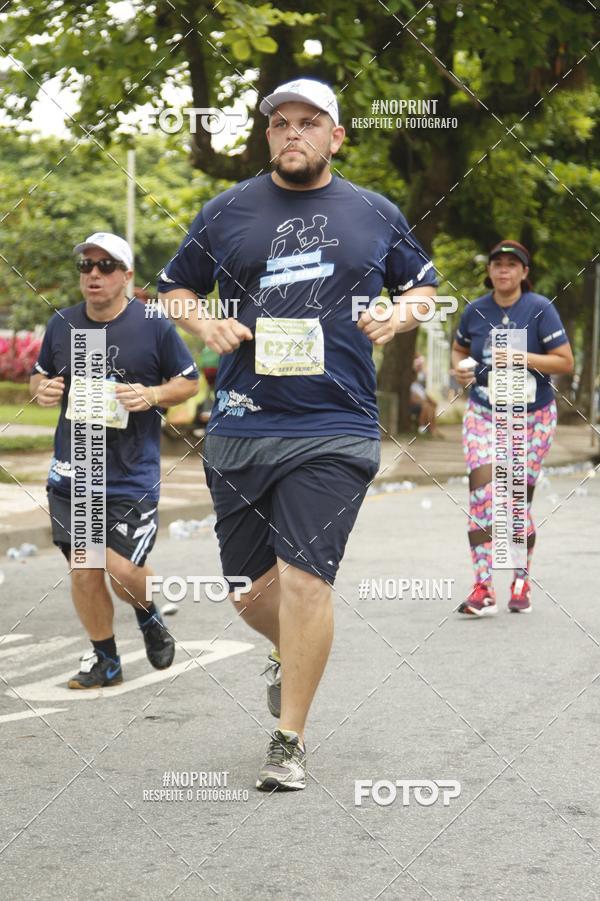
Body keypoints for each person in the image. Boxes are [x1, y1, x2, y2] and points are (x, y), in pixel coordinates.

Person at [158, 78, 437, 791]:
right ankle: (292, 651)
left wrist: (402, 317)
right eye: (280, 123)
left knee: (308, 578)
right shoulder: (226, 211)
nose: (292, 133)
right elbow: (174, 287)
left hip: (336, 424)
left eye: (309, 123)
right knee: (251, 595)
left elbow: (423, 287)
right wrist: (202, 321)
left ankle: (290, 738)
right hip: (243, 425)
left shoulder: (375, 212)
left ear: (336, 135)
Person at [30, 232, 199, 688]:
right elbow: (41, 375)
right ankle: (106, 659)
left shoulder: (153, 325)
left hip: (130, 473)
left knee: (123, 571)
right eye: (87, 266)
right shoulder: (62, 325)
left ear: (126, 275)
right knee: (85, 568)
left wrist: (153, 394)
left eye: (106, 266)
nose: (94, 275)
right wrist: (40, 390)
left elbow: (188, 382)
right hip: (75, 470)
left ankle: (147, 615)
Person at [451, 239, 574, 617]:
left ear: (524, 273)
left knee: (513, 500)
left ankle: (520, 578)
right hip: (483, 412)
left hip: (531, 416)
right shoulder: (475, 310)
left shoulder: (540, 309)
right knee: (482, 495)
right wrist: (460, 370)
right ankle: (483, 586)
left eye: (511, 265)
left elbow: (564, 362)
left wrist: (523, 357)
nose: (503, 270)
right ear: (489, 271)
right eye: (497, 264)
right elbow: (460, 351)